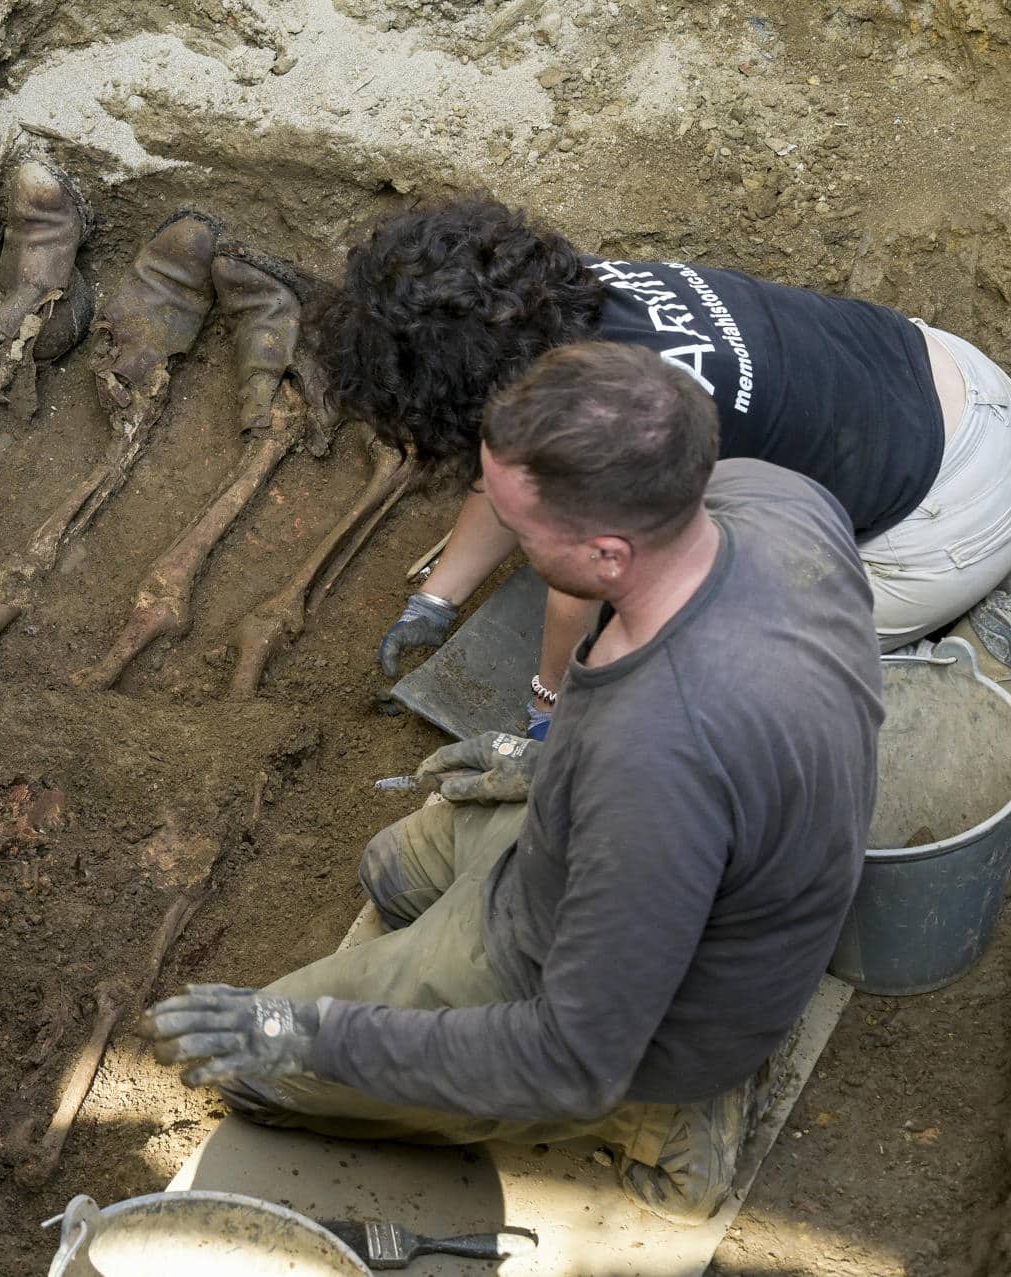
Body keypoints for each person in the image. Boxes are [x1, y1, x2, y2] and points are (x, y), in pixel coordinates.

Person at [142, 341, 883, 1223]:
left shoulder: (657, 763)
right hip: (594, 855)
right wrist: (540, 764)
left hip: (642, 1017)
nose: (507, 540)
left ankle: (662, 1118)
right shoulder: (777, 499)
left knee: (253, 1065)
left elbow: (570, 1055)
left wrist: (311, 1034)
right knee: (392, 870)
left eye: (520, 530)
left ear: (609, 555)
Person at [319, 194, 1008, 735]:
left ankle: (937, 665)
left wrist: (550, 712)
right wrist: (435, 600)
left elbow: (580, 590)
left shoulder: (600, 425)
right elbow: (507, 457)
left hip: (945, 514)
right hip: (930, 368)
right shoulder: (549, 300)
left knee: (707, 675)